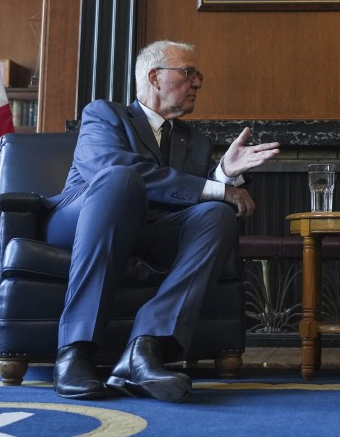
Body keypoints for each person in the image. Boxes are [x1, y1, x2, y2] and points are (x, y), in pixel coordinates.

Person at [46, 40, 279, 403]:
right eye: (189, 73)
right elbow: (113, 170)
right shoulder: (105, 115)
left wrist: (224, 175)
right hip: (85, 220)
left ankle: (144, 350)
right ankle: (75, 350)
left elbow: (194, 197)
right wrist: (215, 188)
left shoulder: (194, 139)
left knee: (217, 215)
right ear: (155, 77)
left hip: (151, 230)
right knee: (121, 178)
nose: (198, 82)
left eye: (198, 75)